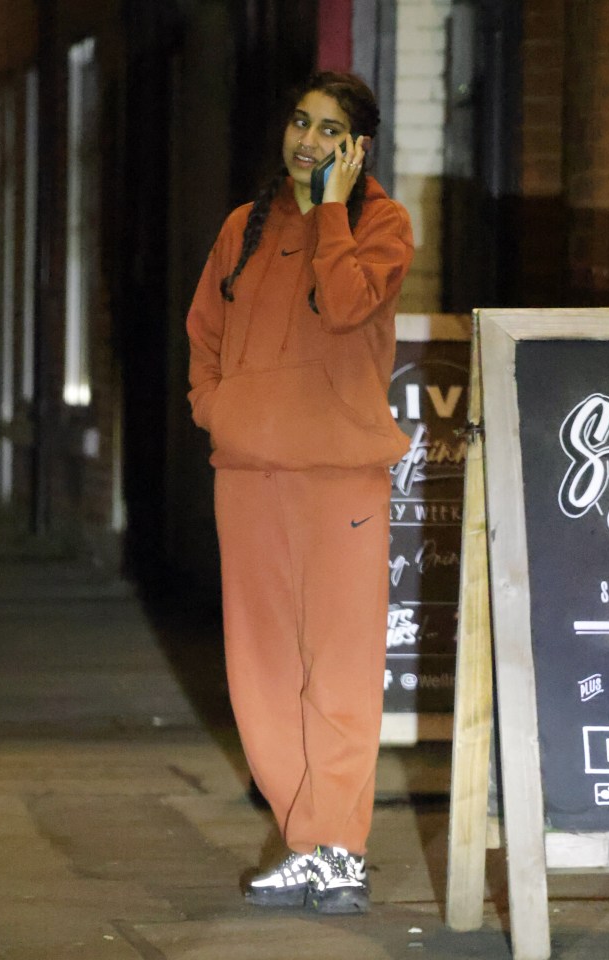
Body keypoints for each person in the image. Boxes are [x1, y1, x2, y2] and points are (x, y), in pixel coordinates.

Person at [186, 71, 413, 915]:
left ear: (358, 147)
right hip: (248, 479)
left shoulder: (380, 225)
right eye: (299, 122)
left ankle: (338, 852)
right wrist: (218, 408)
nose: (308, 140)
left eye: (330, 129)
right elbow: (203, 333)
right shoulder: (241, 228)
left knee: (341, 672)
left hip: (340, 481)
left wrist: (330, 211)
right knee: (260, 678)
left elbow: (349, 305)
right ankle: (308, 841)